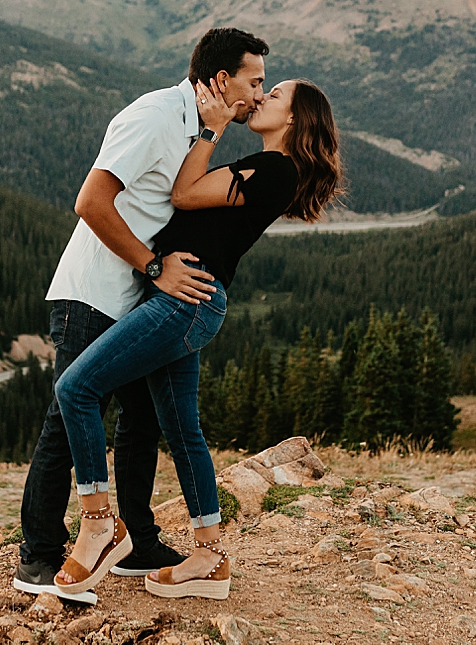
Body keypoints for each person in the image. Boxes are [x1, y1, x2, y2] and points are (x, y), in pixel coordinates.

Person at [50, 75, 344, 600]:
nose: (261, 97)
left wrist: (211, 128)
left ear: (296, 119)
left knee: (76, 389)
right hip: (188, 300)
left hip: (184, 302)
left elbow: (183, 194)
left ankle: (99, 524)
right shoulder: (272, 168)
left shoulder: (276, 168)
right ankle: (209, 558)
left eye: (273, 95)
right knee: (183, 430)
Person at [13, 28, 271, 597]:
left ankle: (139, 544)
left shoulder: (198, 127)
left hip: (129, 298)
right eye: (254, 81)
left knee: (141, 420)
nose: (260, 93)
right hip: (94, 291)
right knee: (68, 414)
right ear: (221, 79)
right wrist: (154, 266)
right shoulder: (155, 115)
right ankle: (39, 555)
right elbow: (90, 202)